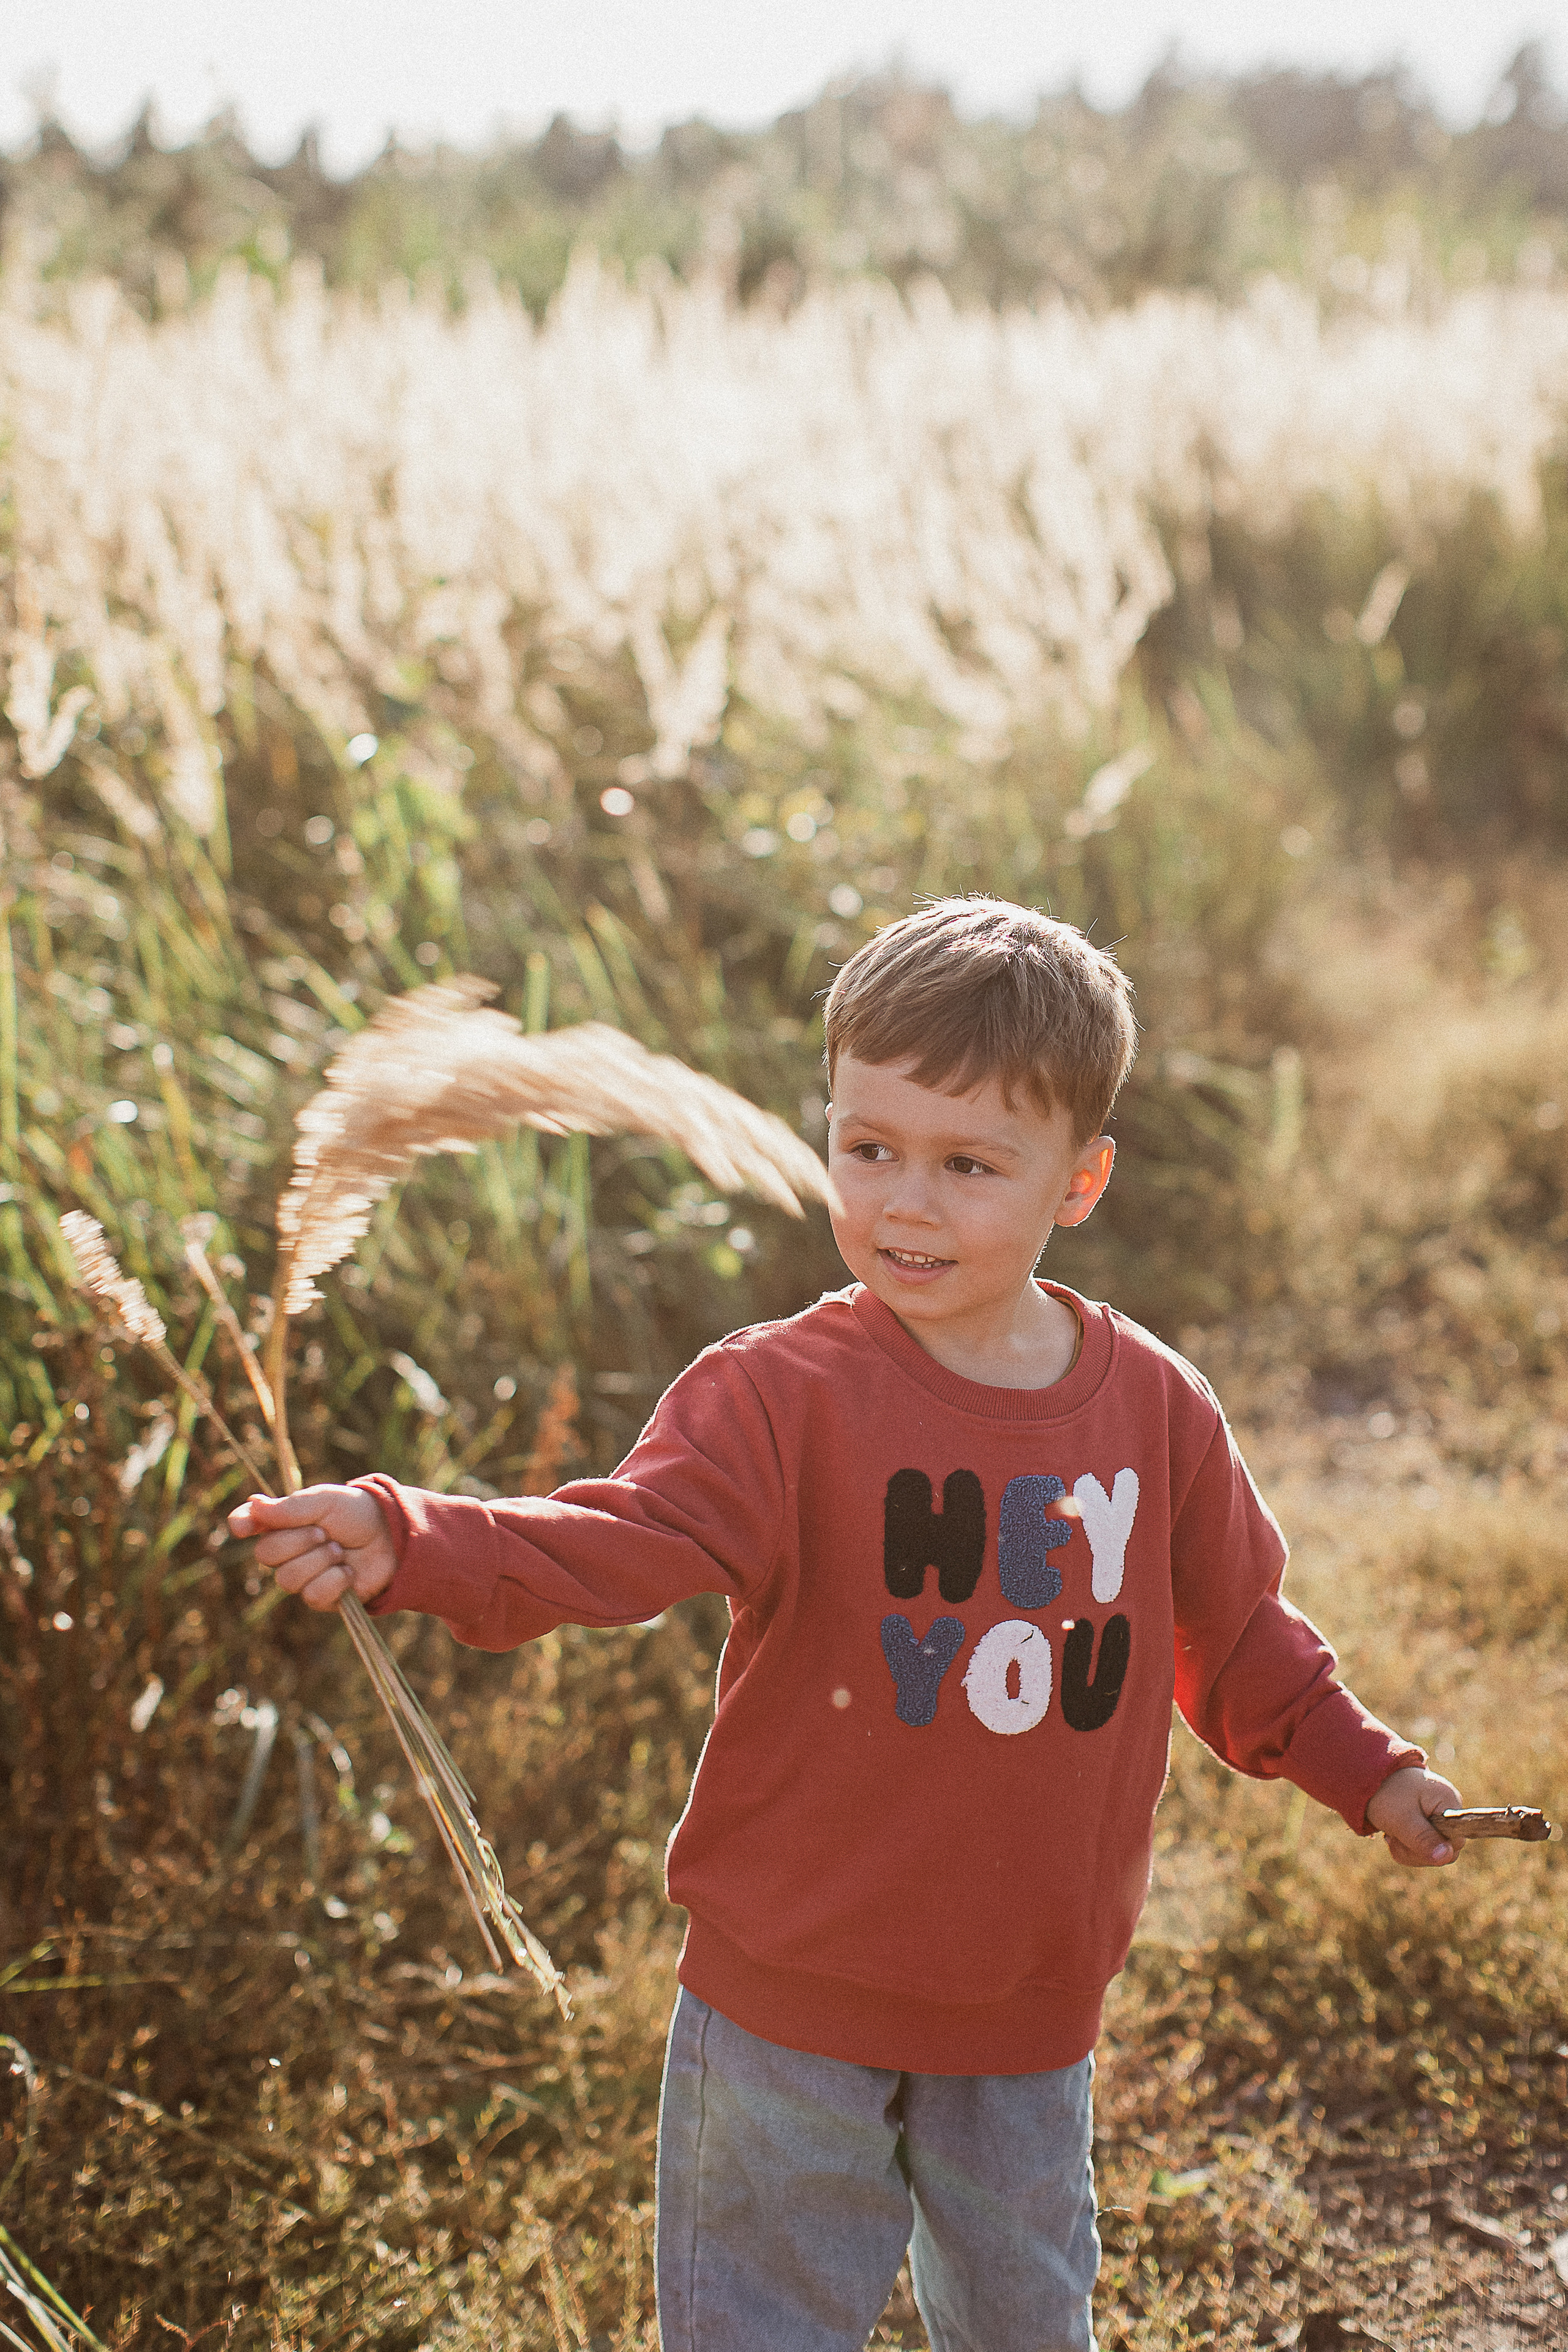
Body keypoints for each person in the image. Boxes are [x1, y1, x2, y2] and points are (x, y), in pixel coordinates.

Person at [232, 897, 1462, 2352]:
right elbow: (625, 1543)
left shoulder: (1148, 1409)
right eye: (866, 1147)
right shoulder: (777, 1394)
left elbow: (1237, 1632)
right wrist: (415, 1537)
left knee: (1024, 2320)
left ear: (1081, 1179)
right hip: (785, 1998)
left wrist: (1365, 1768)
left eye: (968, 1165)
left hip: (1024, 2001)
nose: (904, 1204)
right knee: (759, 2323)